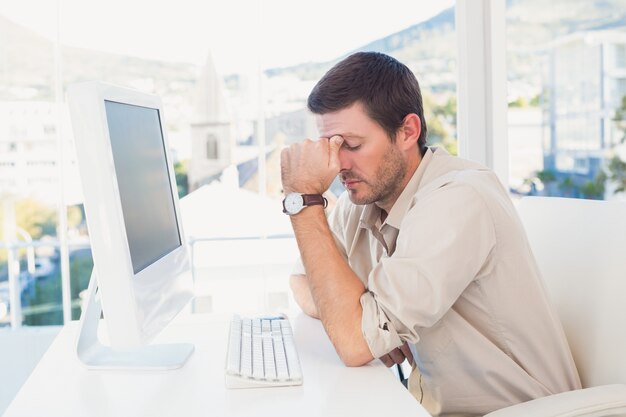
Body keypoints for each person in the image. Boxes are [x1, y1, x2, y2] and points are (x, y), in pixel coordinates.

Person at [280, 51, 581, 416]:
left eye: (353, 146)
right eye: (331, 147)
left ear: (408, 131)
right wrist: (360, 315)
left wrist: (305, 200)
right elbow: (300, 281)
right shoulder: (360, 202)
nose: (339, 165)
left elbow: (353, 342)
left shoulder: (457, 200)